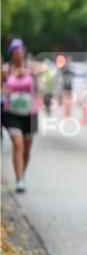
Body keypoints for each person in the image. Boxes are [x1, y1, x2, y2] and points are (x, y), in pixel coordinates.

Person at [1, 39, 40, 193]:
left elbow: (44, 70)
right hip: (11, 113)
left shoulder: (31, 66)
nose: (18, 53)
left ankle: (22, 173)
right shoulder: (6, 70)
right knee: (18, 145)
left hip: (30, 113)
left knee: (27, 147)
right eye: (15, 51)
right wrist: (4, 91)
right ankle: (19, 179)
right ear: (11, 54)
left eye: (20, 50)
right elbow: (1, 88)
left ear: (24, 51)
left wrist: (30, 71)